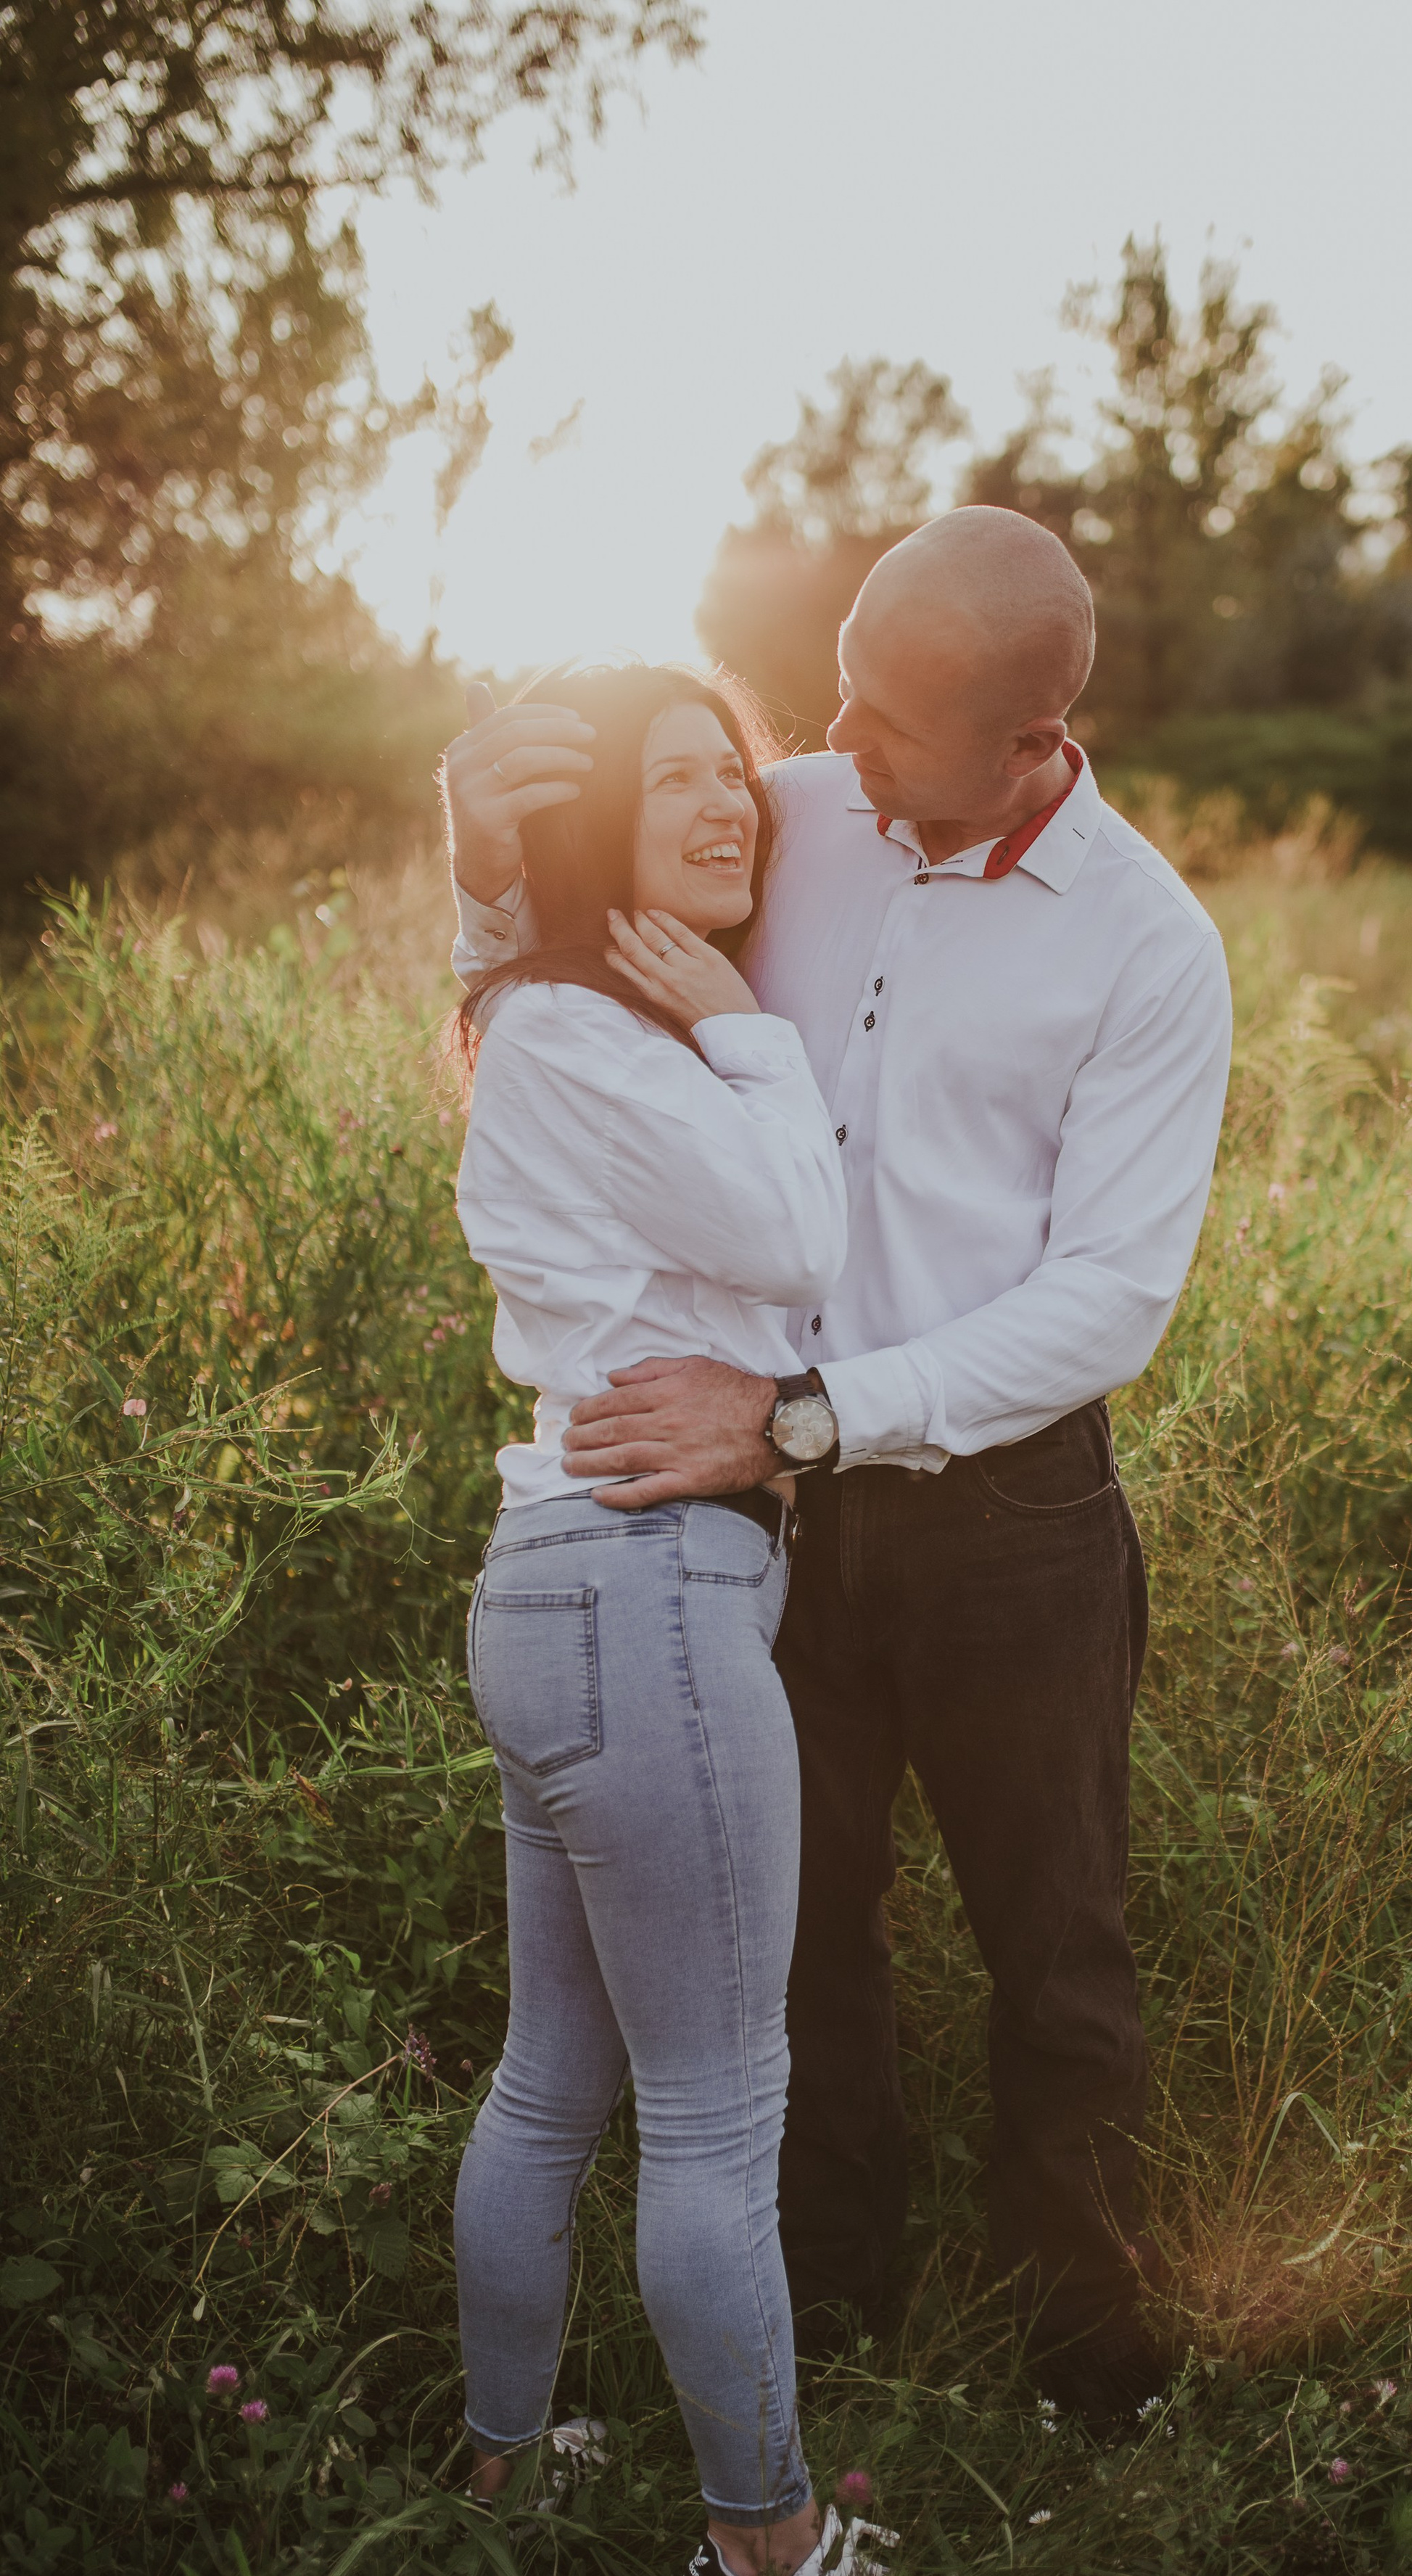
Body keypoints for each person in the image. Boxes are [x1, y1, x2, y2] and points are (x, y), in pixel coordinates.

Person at [442, 509, 1234, 2430]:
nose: (831, 744)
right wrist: (472, 863)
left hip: (1005, 1509)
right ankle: (829, 2319)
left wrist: (800, 1414)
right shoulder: (786, 813)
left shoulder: (1149, 946)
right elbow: (557, 986)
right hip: (760, 1522)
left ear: (1034, 740)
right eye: (840, 691)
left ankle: (1089, 2374)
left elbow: (1107, 1303)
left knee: (1055, 1948)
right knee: (805, 1944)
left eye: (885, 720)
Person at [445, 658, 889, 2576]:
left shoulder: (547, 1018)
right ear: (591, 828)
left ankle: (501, 2470)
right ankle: (764, 2554)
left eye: (739, 773)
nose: (730, 805)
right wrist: (752, 1036)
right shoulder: (599, 1031)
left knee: (555, 2080)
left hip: (556, 1583)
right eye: (678, 778)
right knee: (713, 2112)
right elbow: (808, 1244)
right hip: (648, 1596)